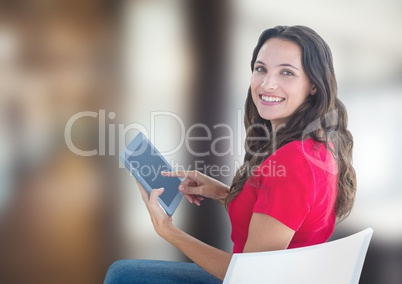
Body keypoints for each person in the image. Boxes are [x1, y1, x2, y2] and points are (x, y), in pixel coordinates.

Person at [104, 25, 356, 284]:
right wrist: (220, 192)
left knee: (122, 277)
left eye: (287, 73)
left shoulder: (293, 161)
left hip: (253, 279)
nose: (268, 84)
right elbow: (279, 211)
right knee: (122, 273)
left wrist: (167, 230)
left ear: (314, 85)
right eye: (261, 69)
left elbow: (250, 276)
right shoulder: (317, 144)